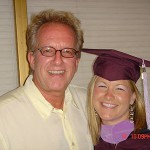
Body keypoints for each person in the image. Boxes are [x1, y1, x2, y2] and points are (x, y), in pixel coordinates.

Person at [0, 9, 93, 150]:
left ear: (76, 61)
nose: (58, 61)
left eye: (67, 51)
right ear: (32, 59)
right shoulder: (4, 118)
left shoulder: (90, 102)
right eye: (48, 50)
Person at [82, 48, 150, 149]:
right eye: (102, 86)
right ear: (92, 92)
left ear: (132, 97)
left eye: (119, 88)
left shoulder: (145, 143)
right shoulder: (85, 141)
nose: (109, 96)